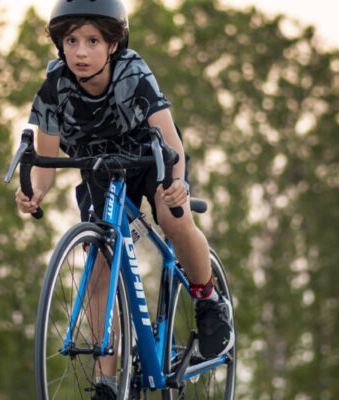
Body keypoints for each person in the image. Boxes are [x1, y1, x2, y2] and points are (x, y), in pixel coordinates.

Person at [15, 0, 234, 397]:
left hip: (151, 159)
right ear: (60, 44)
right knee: (99, 263)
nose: (81, 51)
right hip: (101, 170)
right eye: (72, 40)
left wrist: (178, 181)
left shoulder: (132, 71)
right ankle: (106, 383)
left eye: (93, 40)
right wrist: (35, 192)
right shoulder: (54, 86)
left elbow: (170, 142)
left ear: (113, 44)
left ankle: (208, 299)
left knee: (173, 219)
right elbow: (45, 157)